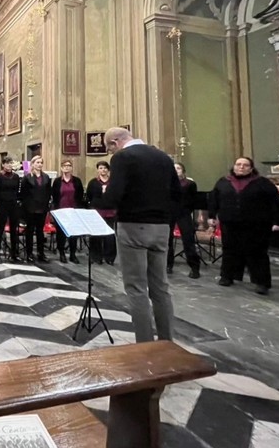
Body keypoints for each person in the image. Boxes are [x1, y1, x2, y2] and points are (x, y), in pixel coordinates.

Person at [103, 126, 180, 343]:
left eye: (110, 149)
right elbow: (176, 193)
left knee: (136, 288)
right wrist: (164, 217)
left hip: (133, 226)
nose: (111, 154)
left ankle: (144, 344)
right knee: (161, 287)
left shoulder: (123, 158)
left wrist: (102, 200)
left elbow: (114, 195)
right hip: (161, 228)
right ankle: (167, 342)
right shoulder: (163, 157)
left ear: (115, 142)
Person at [208, 157, 279, 295]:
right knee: (229, 250)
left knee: (257, 253)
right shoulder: (223, 182)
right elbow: (214, 200)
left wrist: (277, 222)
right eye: (238, 164)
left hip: (256, 224)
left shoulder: (262, 183)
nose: (241, 167)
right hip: (230, 223)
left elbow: (275, 203)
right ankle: (227, 276)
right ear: (234, 166)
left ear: (251, 168)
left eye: (245, 165)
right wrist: (212, 216)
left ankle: (261, 282)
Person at [167, 162, 200, 278]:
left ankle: (194, 267)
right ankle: (168, 265)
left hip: (184, 213)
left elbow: (193, 200)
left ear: (183, 171)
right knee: (167, 241)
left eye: (179, 168)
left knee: (188, 240)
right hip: (169, 213)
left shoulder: (189, 184)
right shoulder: (166, 183)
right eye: (174, 168)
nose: (176, 170)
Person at [51, 159, 85, 264]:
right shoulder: (57, 181)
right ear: (61, 168)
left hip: (73, 210)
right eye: (64, 166)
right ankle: (61, 253)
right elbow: (54, 196)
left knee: (73, 234)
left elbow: (80, 195)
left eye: (69, 165)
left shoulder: (77, 181)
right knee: (60, 234)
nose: (67, 167)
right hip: (60, 211)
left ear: (71, 168)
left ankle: (72, 254)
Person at [20, 155, 52, 263]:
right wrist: (26, 207)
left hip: (42, 208)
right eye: (37, 162)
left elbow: (48, 192)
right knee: (30, 231)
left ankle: (40, 253)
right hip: (30, 208)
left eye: (41, 162)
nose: (39, 164)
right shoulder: (27, 177)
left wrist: (46, 204)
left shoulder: (46, 177)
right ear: (33, 164)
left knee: (40, 231)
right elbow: (23, 194)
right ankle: (29, 253)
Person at [85, 161, 117, 265]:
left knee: (109, 235)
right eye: (100, 168)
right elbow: (89, 195)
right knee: (96, 235)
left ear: (108, 170)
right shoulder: (93, 182)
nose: (102, 170)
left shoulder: (113, 182)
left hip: (110, 211)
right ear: (97, 170)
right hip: (97, 211)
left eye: (104, 168)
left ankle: (109, 257)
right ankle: (96, 256)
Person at [0, 157, 21, 263]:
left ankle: (14, 253)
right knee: (0, 229)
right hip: (2, 204)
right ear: (3, 165)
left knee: (14, 229)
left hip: (13, 204)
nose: (9, 166)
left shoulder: (16, 177)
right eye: (7, 164)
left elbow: (17, 190)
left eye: (11, 163)